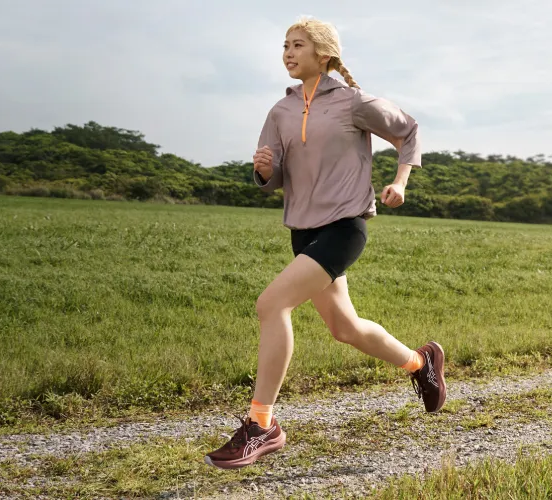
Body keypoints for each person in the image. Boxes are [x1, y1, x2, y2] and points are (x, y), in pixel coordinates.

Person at [204, 15, 447, 470]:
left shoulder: (354, 102)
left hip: (344, 227)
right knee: (344, 328)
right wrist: (263, 170)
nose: (288, 53)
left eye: (298, 45)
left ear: (324, 54)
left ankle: (261, 424)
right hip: (304, 231)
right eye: (285, 45)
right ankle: (421, 363)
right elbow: (274, 176)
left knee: (271, 304)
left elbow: (408, 130)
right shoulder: (280, 111)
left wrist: (400, 182)